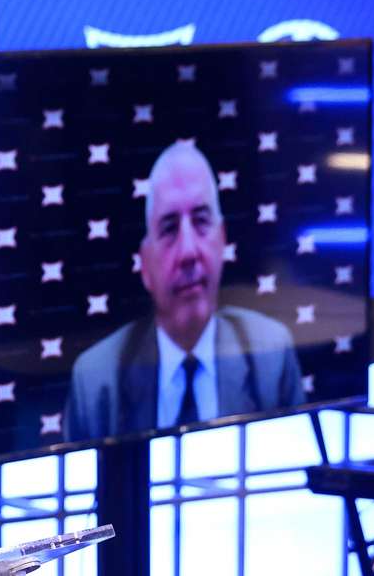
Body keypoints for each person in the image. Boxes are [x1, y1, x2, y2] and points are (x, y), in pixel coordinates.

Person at [63, 141, 302, 442]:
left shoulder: (271, 357)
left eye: (201, 221)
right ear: (145, 265)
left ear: (222, 241)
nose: (189, 251)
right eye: (169, 228)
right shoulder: (96, 382)